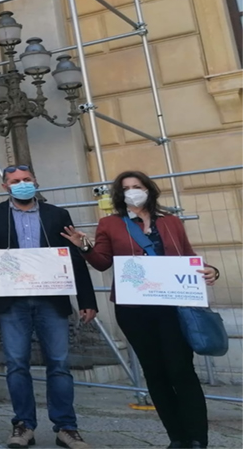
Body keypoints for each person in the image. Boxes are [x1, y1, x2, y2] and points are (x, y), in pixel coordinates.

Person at [62, 171, 219, 449]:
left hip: (173, 307)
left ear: (149, 190)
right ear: (119, 194)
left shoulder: (171, 222)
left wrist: (211, 270)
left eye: (138, 186)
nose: (133, 191)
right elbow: (101, 262)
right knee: (155, 371)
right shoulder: (110, 223)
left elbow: (187, 256)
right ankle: (177, 438)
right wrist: (83, 246)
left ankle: (197, 438)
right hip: (134, 308)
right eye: (126, 188)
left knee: (181, 370)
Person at [0, 165, 96, 449]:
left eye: (26, 180)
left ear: (35, 182)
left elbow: (72, 256)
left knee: (59, 365)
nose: (21, 184)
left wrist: (87, 299)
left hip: (52, 298)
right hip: (12, 301)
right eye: (15, 181)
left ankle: (66, 428)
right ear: (5, 187)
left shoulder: (57, 215)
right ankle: (23, 425)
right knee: (16, 365)